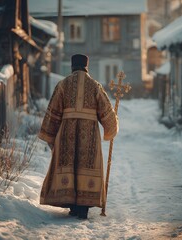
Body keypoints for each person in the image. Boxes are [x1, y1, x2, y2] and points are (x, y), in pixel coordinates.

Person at [38, 54, 119, 219]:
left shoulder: (63, 84)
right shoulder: (95, 86)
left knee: (69, 166)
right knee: (86, 167)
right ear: (86, 67)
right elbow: (107, 113)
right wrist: (111, 128)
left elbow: (53, 112)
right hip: (90, 137)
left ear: (73, 67)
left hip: (66, 134)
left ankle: (72, 204)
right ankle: (83, 208)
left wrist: (50, 135)